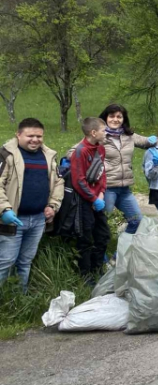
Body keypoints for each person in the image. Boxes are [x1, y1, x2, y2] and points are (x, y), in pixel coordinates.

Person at [0, 118, 64, 289]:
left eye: (39, 136)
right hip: (12, 220)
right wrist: (4, 209)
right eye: (30, 136)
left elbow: (58, 182)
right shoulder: (6, 155)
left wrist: (53, 206)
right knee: (5, 262)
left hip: (37, 220)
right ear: (18, 134)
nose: (35, 140)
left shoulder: (48, 156)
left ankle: (20, 296)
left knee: (25, 261)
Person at [98, 104, 157, 234]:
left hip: (124, 189)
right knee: (103, 224)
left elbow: (146, 142)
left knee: (137, 221)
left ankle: (120, 252)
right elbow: (75, 151)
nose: (115, 119)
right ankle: (100, 253)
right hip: (106, 188)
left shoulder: (128, 135)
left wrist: (156, 140)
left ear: (123, 119)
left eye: (119, 117)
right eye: (112, 116)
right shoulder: (99, 136)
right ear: (105, 118)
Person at [70, 117, 111, 279]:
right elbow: (78, 181)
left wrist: (101, 194)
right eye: (103, 130)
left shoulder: (100, 149)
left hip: (98, 200)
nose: (106, 133)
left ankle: (98, 269)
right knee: (85, 239)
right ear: (93, 133)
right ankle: (85, 276)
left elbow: (102, 174)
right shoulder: (80, 151)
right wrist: (93, 199)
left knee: (103, 235)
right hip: (84, 202)